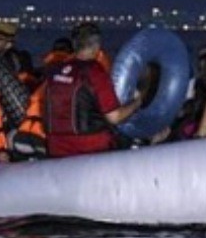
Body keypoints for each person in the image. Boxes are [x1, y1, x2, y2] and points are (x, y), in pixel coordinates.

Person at [43, 23, 142, 158]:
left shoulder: (55, 71)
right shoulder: (94, 72)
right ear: (97, 46)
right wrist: (137, 103)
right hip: (90, 147)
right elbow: (115, 117)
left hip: (56, 147)